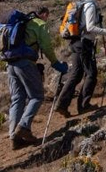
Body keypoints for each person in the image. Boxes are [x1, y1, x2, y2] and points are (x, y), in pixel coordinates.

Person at [7, 10, 67, 149]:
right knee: (37, 96)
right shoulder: (39, 24)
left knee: (18, 98)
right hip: (26, 63)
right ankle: (23, 127)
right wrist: (55, 63)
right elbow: (46, 46)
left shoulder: (21, 23)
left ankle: (14, 137)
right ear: (44, 14)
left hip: (10, 63)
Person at [54, 0, 106, 117]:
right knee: (91, 73)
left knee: (76, 74)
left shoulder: (86, 4)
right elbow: (89, 28)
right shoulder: (90, 6)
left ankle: (61, 105)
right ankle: (83, 106)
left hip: (76, 42)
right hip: (84, 43)